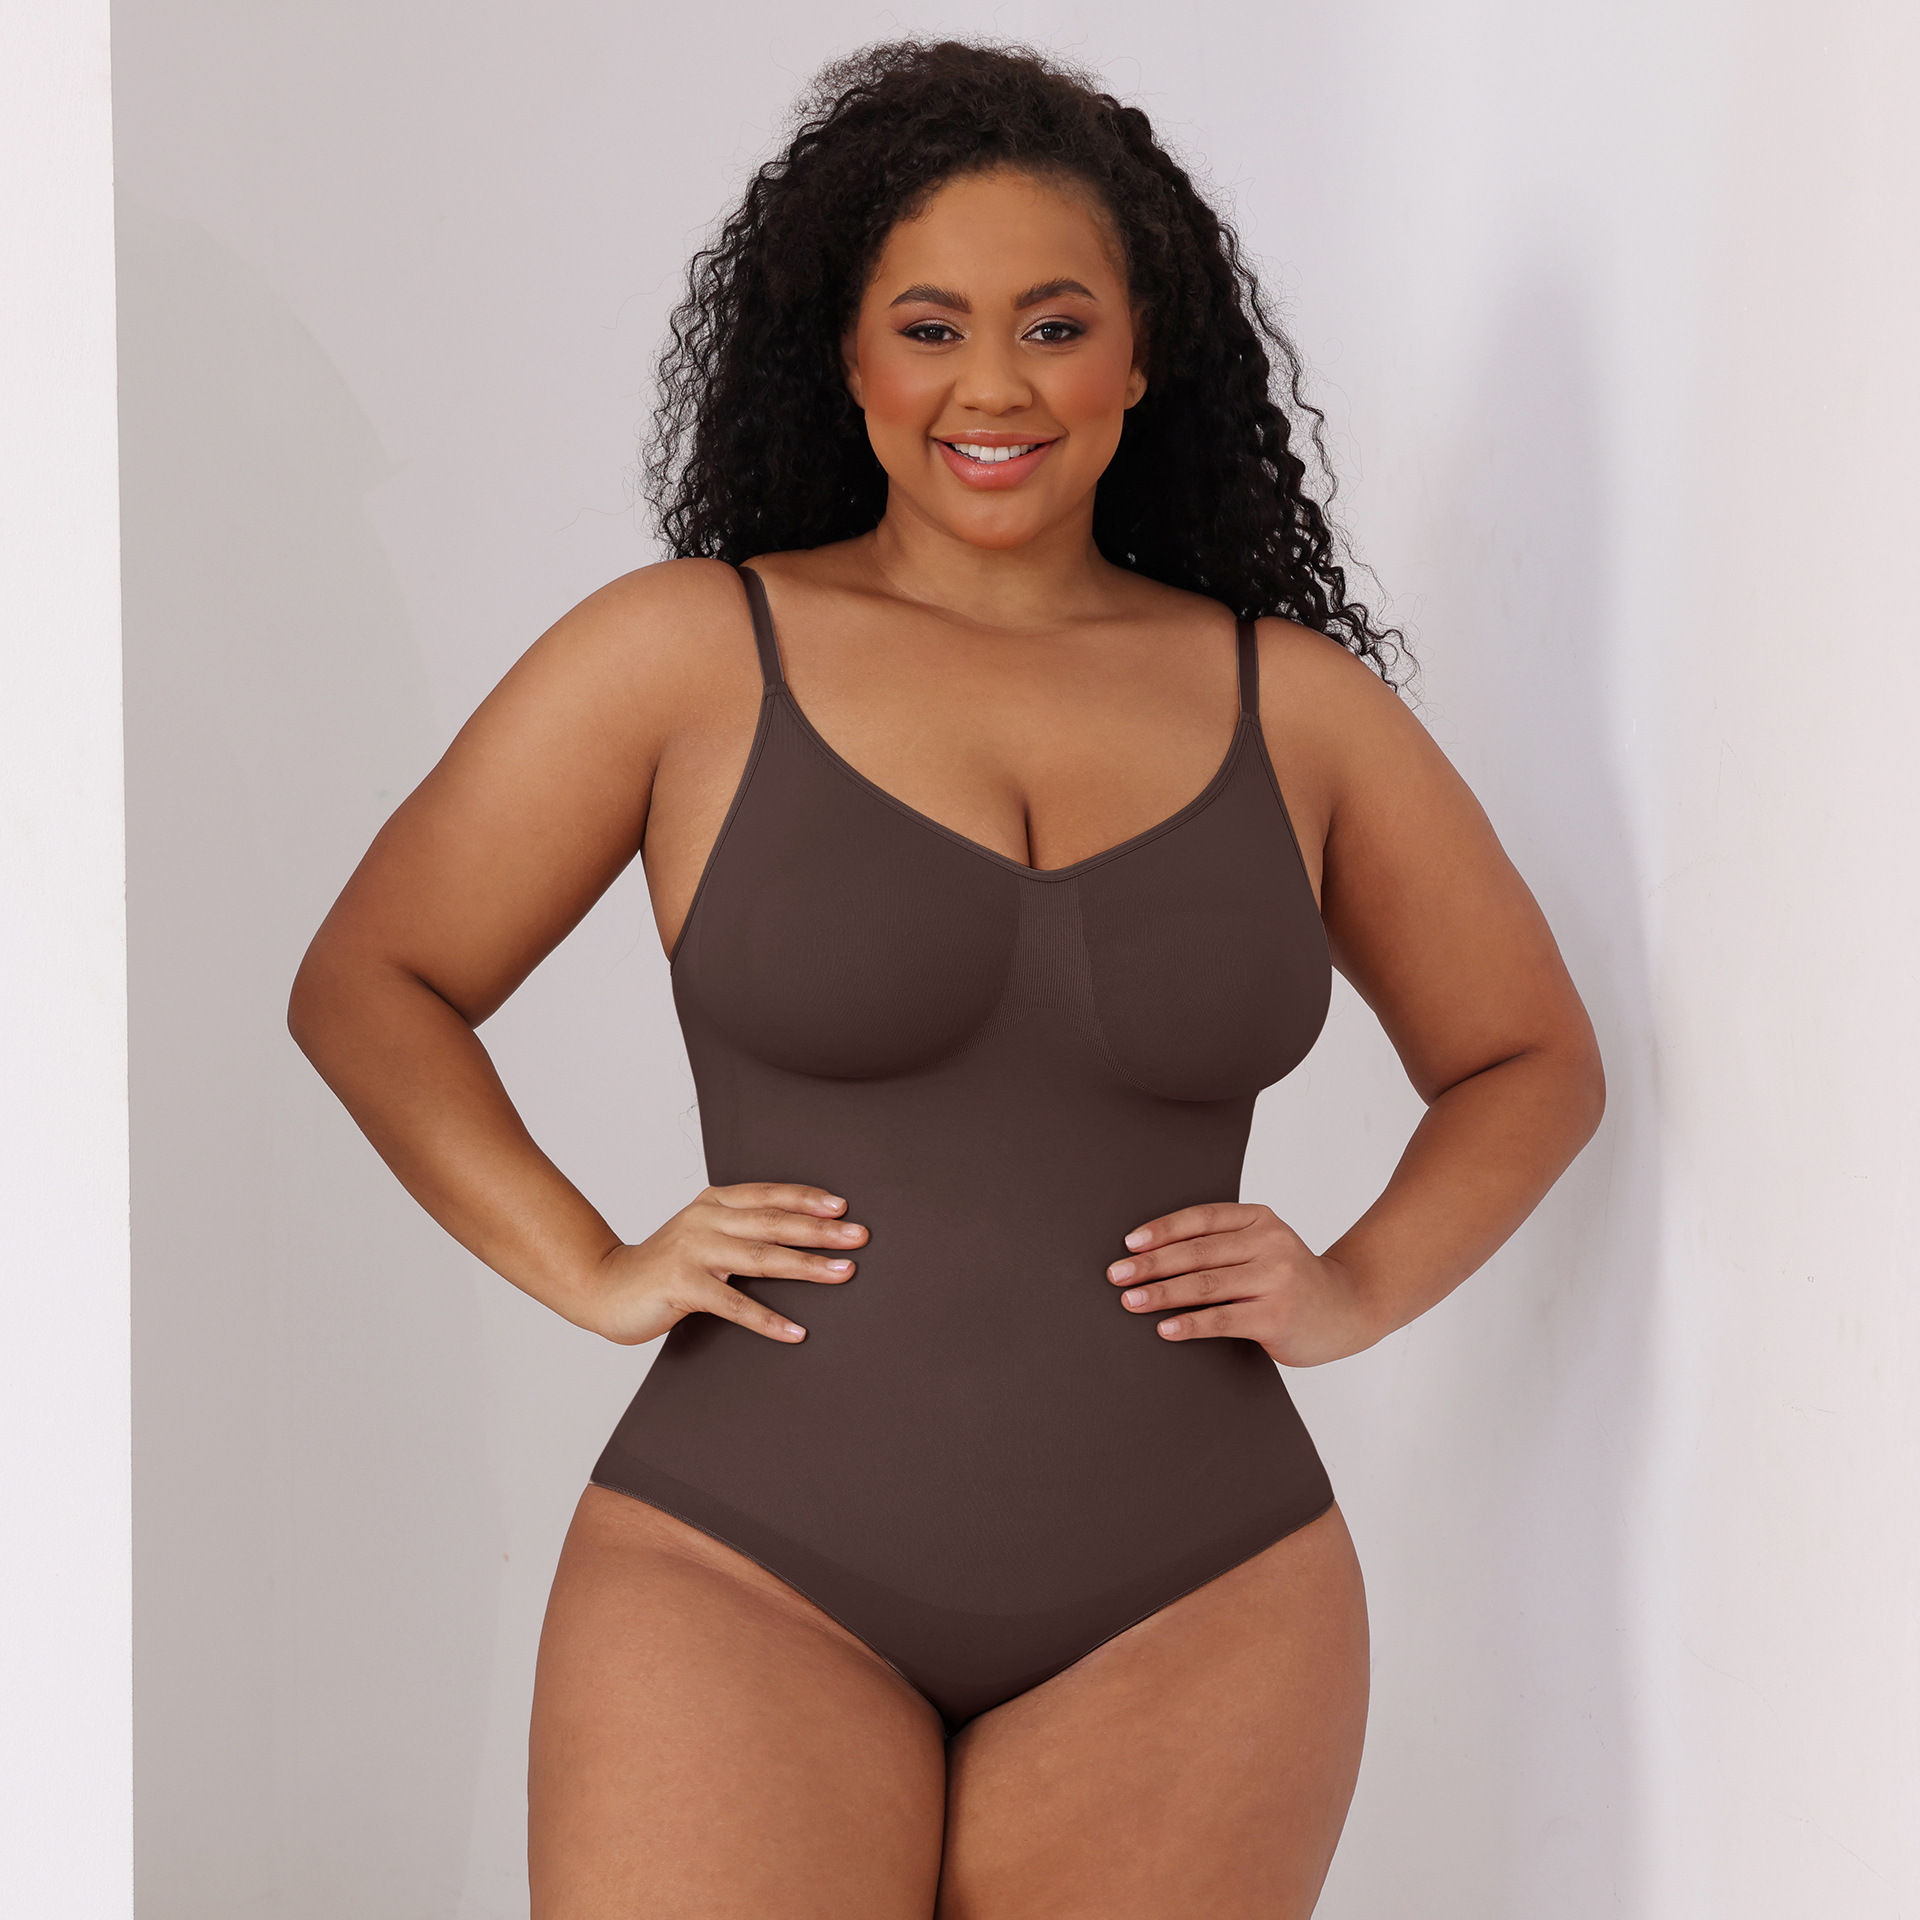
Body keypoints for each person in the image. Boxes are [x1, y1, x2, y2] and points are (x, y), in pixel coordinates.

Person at [288, 37, 1604, 1919]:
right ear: (848, 355)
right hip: (741, 1568)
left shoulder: (1299, 709)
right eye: (931, 328)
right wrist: (587, 1265)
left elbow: (1529, 1056)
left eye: (1056, 326)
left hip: (1205, 1594)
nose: (994, 386)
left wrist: (1360, 1286)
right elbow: (375, 977)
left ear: (1143, 357)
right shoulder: (684, 657)